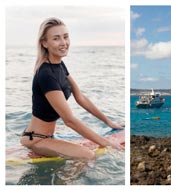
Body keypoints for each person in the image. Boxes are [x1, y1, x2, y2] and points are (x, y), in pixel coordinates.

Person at [20, 17, 124, 160]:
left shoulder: (59, 65)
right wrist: (106, 142)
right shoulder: (46, 75)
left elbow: (80, 97)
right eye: (56, 38)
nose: (64, 43)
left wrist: (109, 122)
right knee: (88, 156)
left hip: (45, 135)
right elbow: (69, 120)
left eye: (66, 37)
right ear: (45, 43)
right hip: (37, 139)